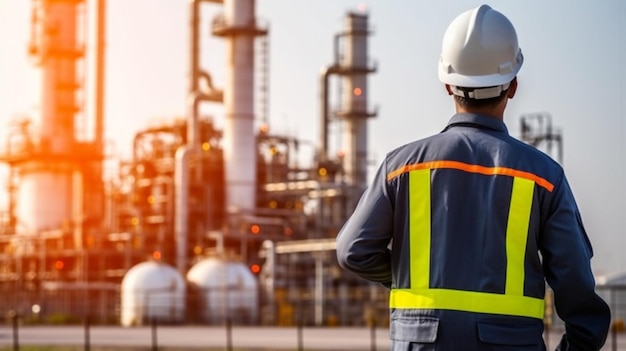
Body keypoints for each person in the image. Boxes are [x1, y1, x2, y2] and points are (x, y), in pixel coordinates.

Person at [335, 4, 611, 350]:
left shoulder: (402, 166)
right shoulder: (544, 177)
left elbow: (352, 251)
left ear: (449, 86)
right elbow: (578, 292)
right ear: (512, 86)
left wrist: (411, 280)